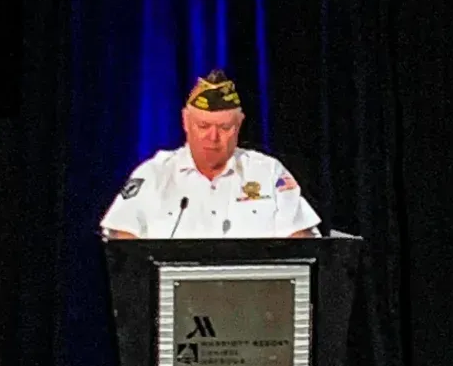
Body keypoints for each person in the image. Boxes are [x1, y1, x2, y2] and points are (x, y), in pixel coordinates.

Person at [100, 70, 320, 239]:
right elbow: (122, 240)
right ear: (186, 122)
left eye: (224, 128)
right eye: (203, 126)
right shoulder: (154, 174)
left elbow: (301, 238)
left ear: (239, 124)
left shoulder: (268, 172)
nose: (213, 137)